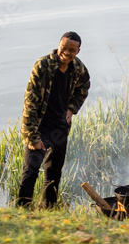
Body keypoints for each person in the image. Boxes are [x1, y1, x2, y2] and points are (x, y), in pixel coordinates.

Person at [16, 31, 90, 208]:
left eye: (72, 50)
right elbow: (30, 102)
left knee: (54, 171)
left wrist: (72, 108)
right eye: (64, 48)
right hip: (40, 126)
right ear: (59, 45)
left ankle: (48, 209)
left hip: (60, 127)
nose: (67, 52)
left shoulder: (78, 68)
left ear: (78, 51)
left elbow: (84, 87)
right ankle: (22, 211)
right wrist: (32, 137)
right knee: (30, 171)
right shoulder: (42, 66)